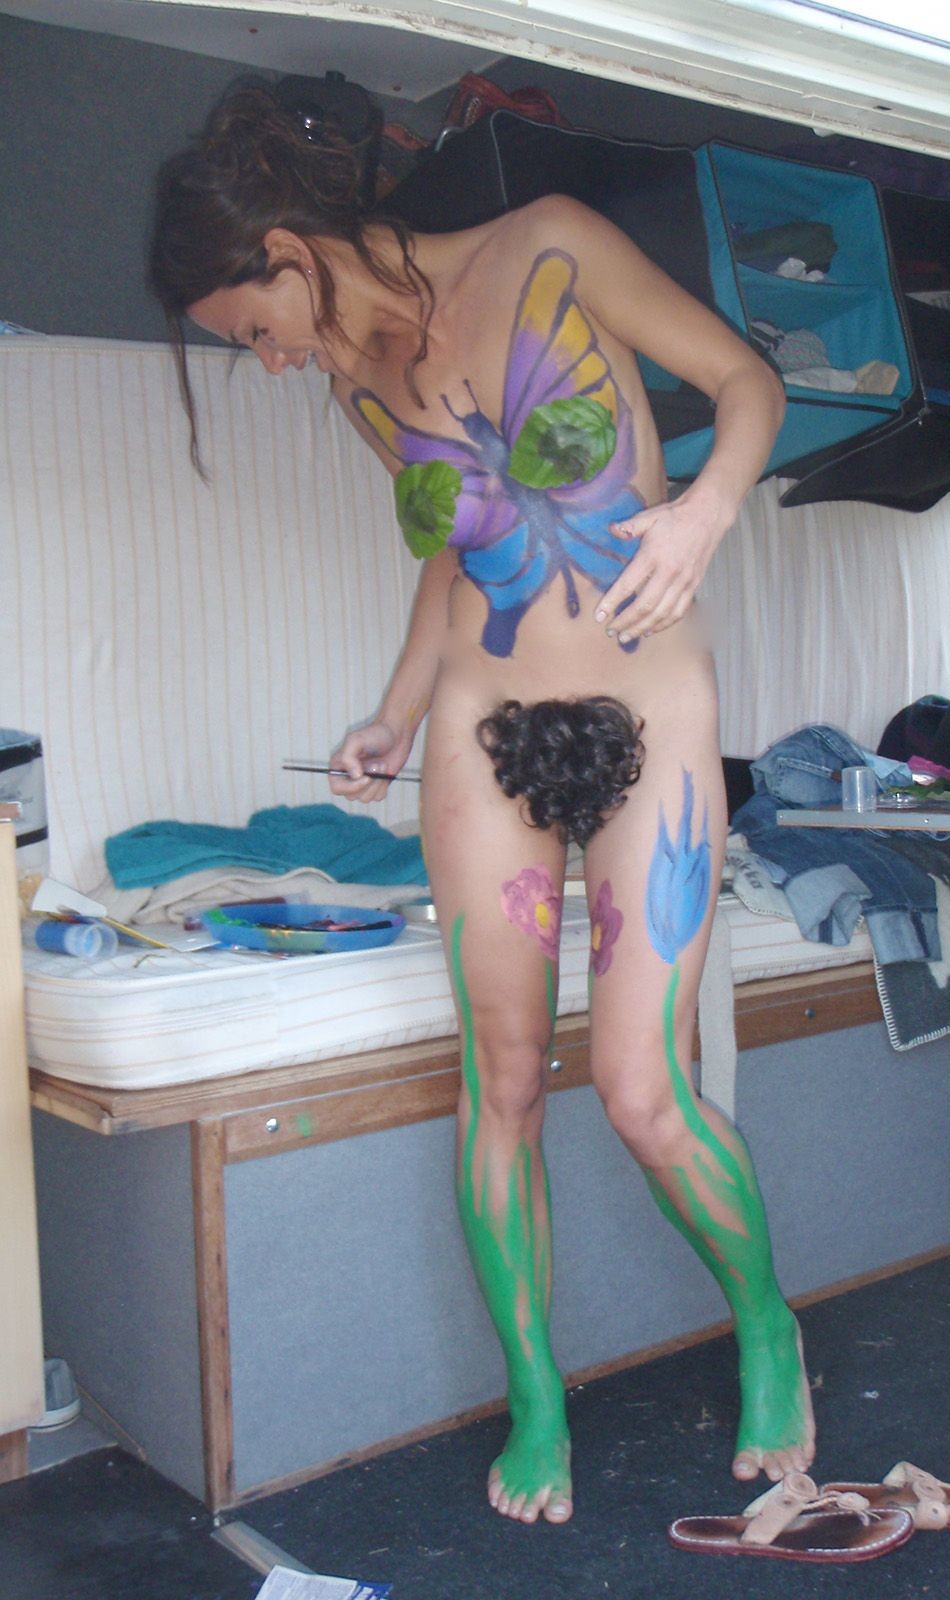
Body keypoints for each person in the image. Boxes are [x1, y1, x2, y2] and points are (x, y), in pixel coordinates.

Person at [150, 81, 812, 1527]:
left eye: (256, 330)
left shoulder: (550, 244)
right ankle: (535, 1399)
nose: (273, 362)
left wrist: (705, 510)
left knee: (640, 1089)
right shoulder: (358, 386)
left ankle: (768, 1325)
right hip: (479, 723)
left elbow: (747, 382)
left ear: (288, 251)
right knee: (499, 1083)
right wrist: (394, 712)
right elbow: (456, 546)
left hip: (651, 709)